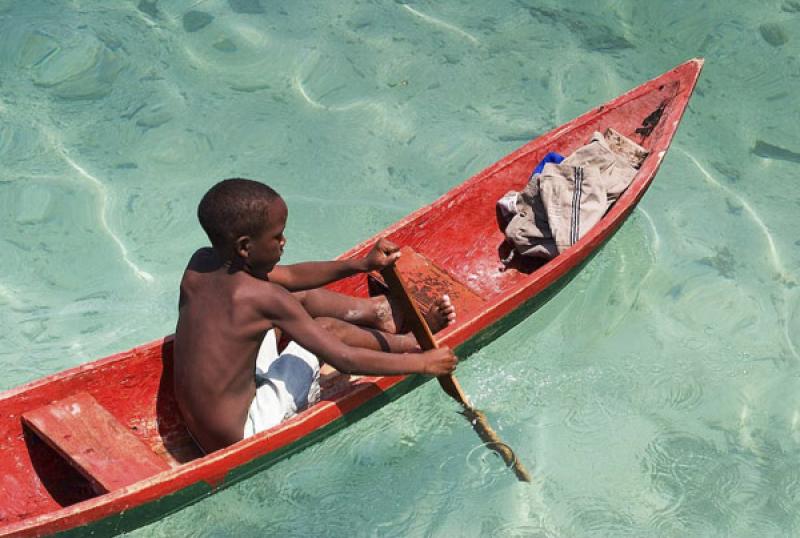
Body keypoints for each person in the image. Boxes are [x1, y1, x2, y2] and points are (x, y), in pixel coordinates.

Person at [174, 178, 458, 453]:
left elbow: (292, 275)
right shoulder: (264, 298)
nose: (284, 241)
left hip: (202, 423)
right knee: (328, 330)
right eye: (277, 236)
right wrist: (423, 363)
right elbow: (343, 358)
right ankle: (409, 342)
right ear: (245, 247)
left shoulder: (201, 263)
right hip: (244, 432)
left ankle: (379, 313)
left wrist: (360, 264)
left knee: (294, 297)